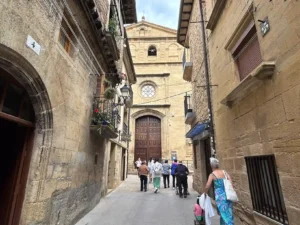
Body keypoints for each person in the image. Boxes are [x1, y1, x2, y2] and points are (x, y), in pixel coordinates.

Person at [204, 157, 234, 225]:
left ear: (212, 166)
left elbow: (207, 185)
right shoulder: (225, 172)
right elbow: (231, 183)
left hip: (220, 198)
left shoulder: (212, 175)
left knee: (224, 214)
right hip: (228, 195)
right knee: (228, 213)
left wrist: (205, 193)